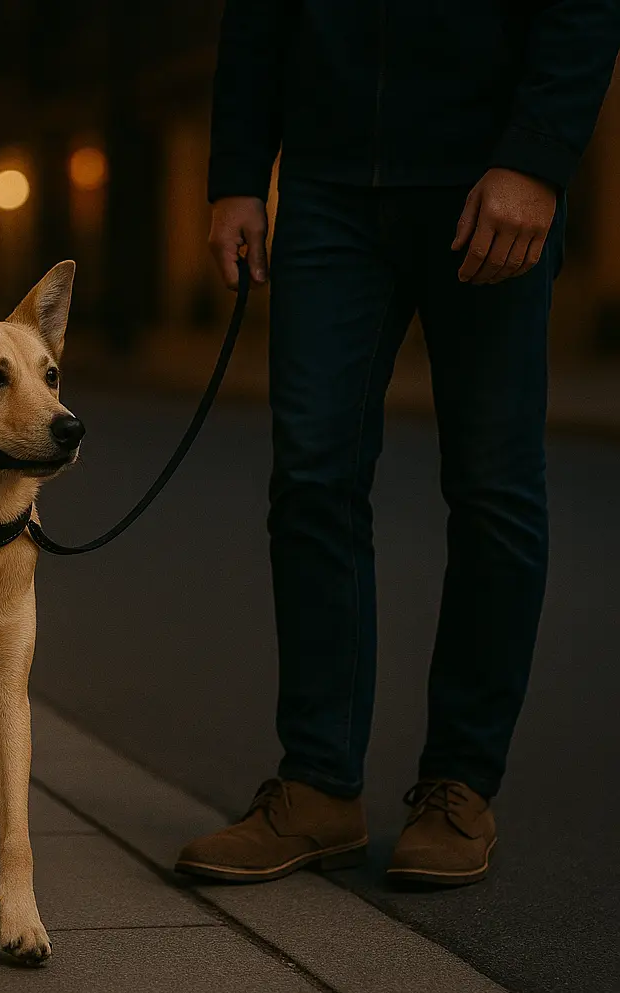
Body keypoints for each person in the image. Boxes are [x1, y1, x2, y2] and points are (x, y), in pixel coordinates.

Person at [175, 1, 620, 887]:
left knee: (493, 487)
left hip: (486, 171)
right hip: (329, 183)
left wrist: (536, 155)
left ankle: (460, 786)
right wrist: (236, 173)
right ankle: (317, 789)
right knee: (310, 479)